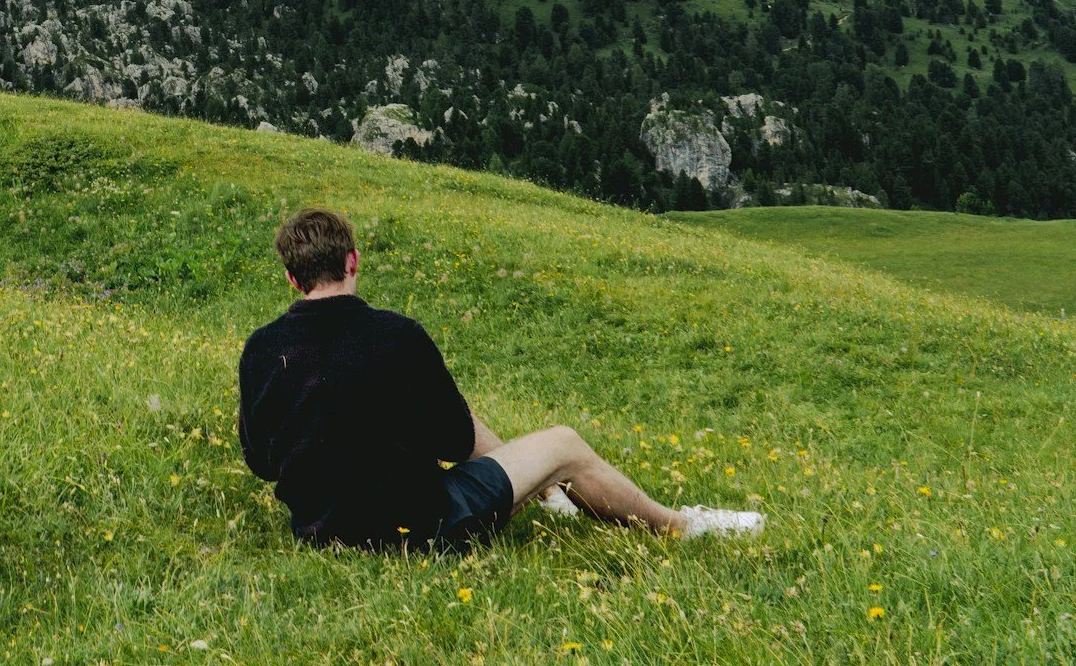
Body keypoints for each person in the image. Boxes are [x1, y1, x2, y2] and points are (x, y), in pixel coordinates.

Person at [237, 207, 763, 549]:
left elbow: (262, 463)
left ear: (291, 276)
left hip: (319, 533)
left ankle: (548, 495)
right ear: (353, 260)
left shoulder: (261, 349)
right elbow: (455, 438)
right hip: (421, 528)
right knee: (565, 443)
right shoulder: (395, 336)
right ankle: (678, 525)